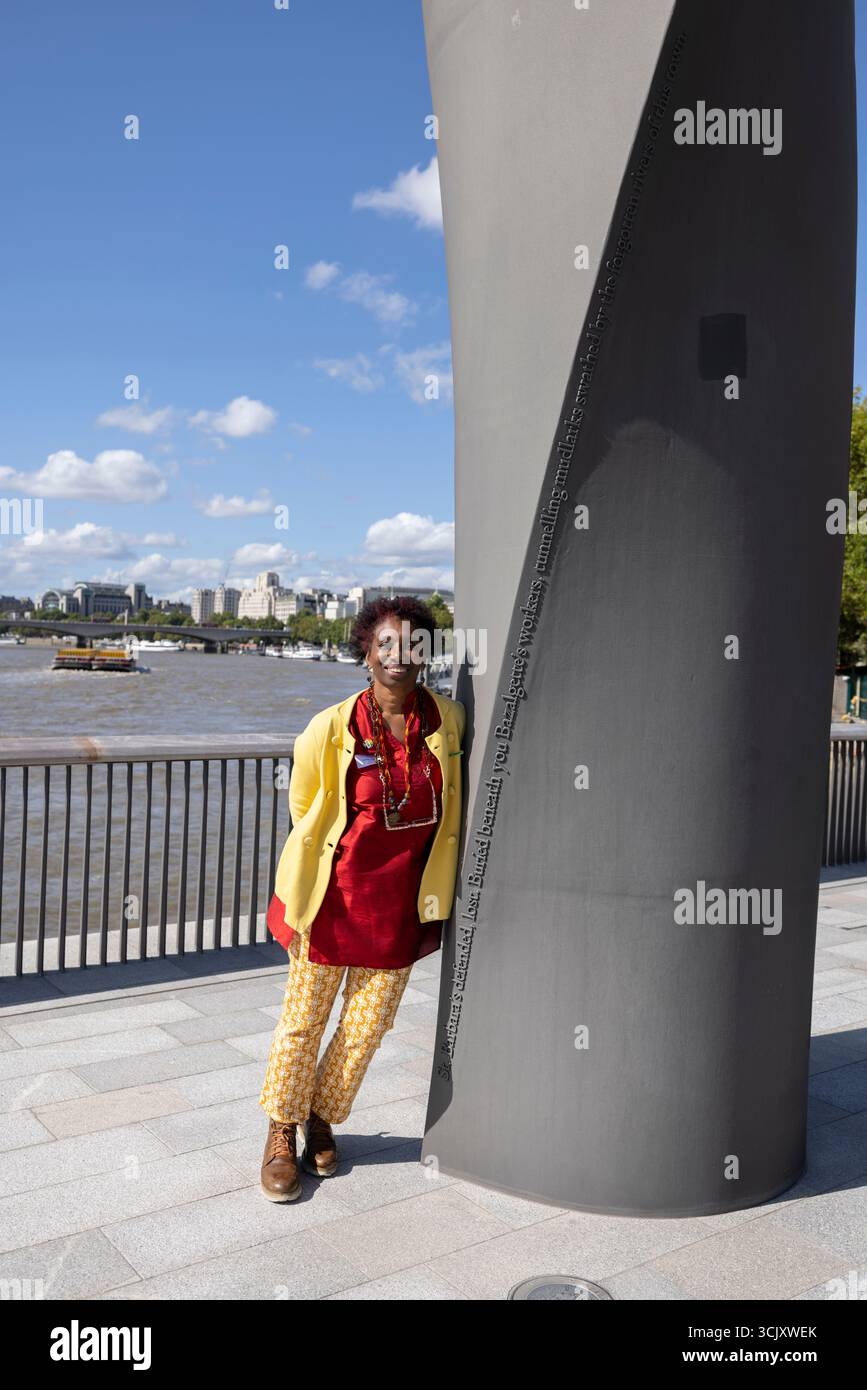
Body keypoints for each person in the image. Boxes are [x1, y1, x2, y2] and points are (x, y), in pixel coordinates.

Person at [258, 596, 466, 1201]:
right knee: (303, 1023)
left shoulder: (447, 720)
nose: (400, 657)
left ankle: (321, 1118)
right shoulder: (331, 726)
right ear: (366, 653)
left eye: (413, 646)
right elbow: (305, 809)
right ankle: (280, 1133)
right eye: (386, 645)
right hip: (333, 897)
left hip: (402, 899)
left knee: (367, 1026)